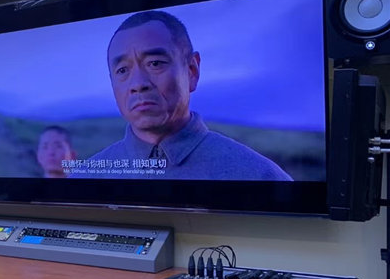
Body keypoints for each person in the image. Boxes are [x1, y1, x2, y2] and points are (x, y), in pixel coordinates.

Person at [73, 10, 291, 180]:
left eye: (155, 63)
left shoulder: (258, 175)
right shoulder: (84, 179)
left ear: (192, 71)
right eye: (122, 70)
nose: (138, 84)